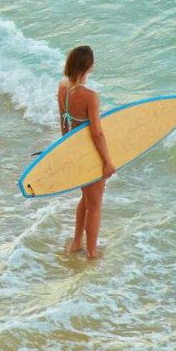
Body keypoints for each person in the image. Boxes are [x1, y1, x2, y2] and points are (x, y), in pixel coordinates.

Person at [58, 44, 117, 259]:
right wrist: (108, 162)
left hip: (75, 151)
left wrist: (67, 152)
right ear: (89, 66)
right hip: (91, 153)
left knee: (86, 198)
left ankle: (76, 243)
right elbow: (97, 134)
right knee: (95, 204)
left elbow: (64, 126)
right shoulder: (90, 96)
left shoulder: (63, 88)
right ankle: (92, 252)